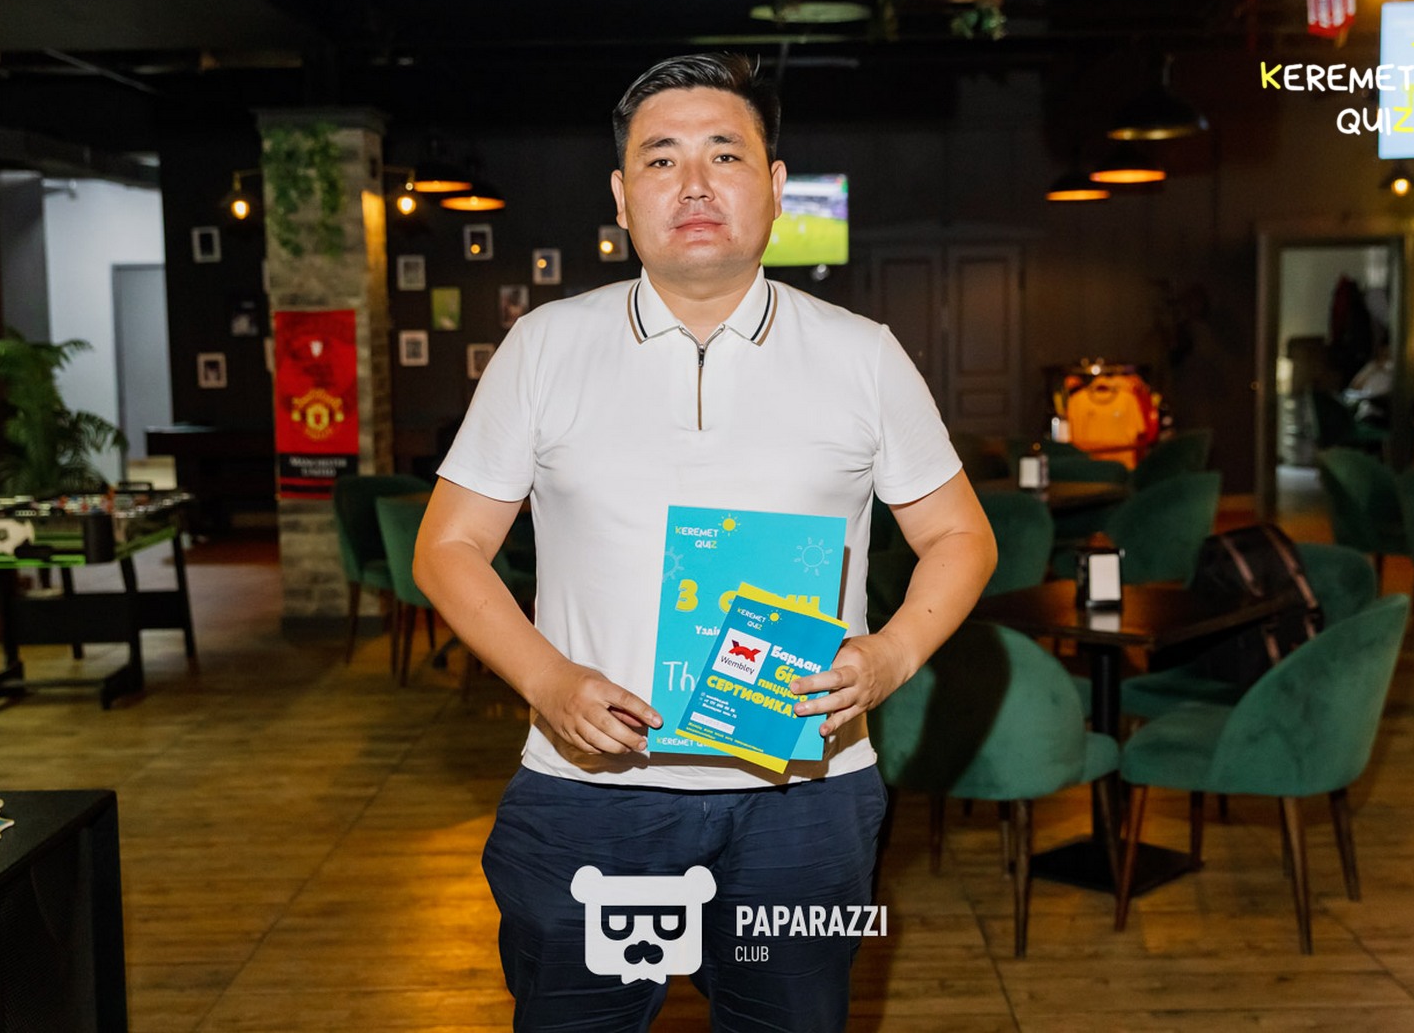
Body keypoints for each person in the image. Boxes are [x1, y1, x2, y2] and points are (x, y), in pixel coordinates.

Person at [413, 53, 996, 1032]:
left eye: (724, 155)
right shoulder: (544, 347)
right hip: (592, 792)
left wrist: (890, 657)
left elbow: (959, 535)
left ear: (774, 186)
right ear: (620, 195)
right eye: (660, 159)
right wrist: (548, 680)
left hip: (805, 801)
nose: (692, 183)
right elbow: (447, 546)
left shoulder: (862, 353)